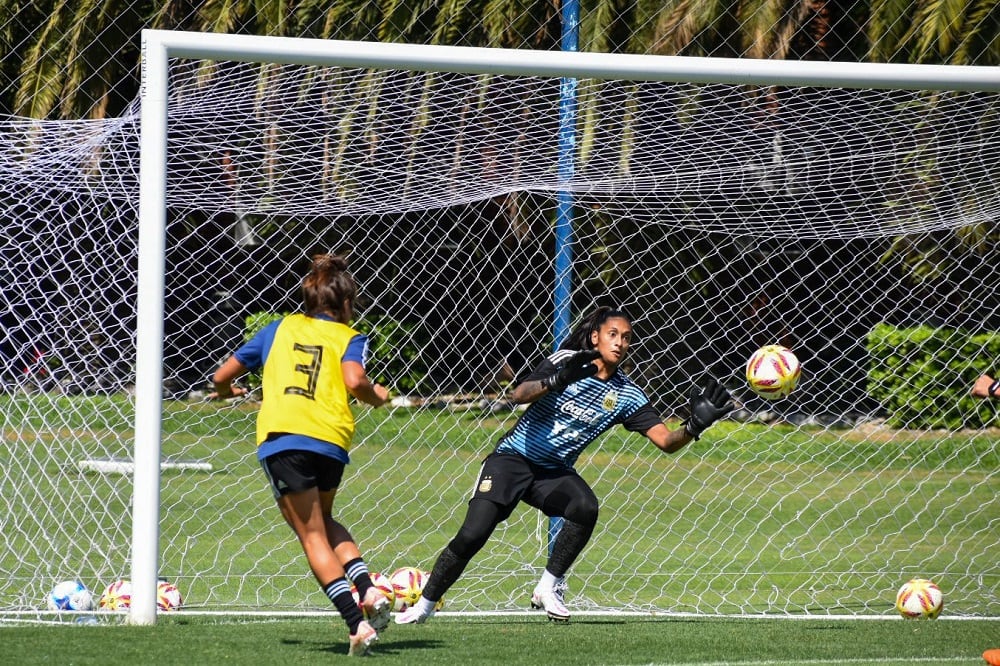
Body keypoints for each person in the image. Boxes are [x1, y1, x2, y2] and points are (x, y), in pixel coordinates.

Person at [395, 306, 734, 625]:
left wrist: (693, 427)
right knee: (473, 534)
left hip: (552, 473)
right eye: (612, 334)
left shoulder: (628, 394)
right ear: (595, 338)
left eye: (626, 337)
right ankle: (425, 605)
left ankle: (547, 586)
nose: (619, 342)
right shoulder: (567, 360)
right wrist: (557, 381)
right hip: (512, 460)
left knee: (585, 506)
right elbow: (519, 394)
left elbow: (665, 442)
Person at [210, 254, 391, 656]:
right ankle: (369, 590)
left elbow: (222, 376)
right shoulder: (350, 336)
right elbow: (356, 381)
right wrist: (376, 396)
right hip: (330, 440)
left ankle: (356, 623)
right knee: (324, 522)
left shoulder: (279, 328)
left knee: (310, 535)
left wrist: (227, 393)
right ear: (346, 304)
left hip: (285, 438)